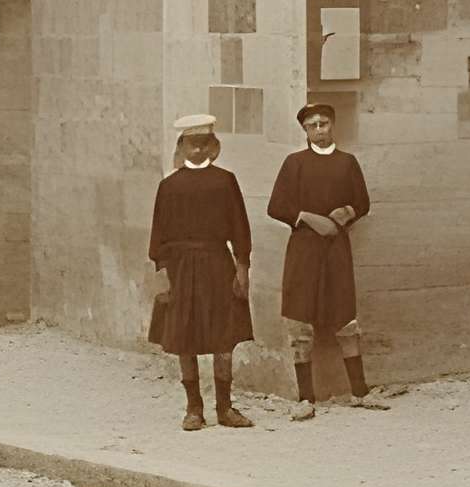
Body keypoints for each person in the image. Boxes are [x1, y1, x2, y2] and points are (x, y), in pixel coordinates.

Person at [266, 102, 389, 420]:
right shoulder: (294, 164)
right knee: (301, 318)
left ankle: (359, 392)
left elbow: (362, 202)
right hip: (304, 249)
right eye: (312, 126)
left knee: (344, 316)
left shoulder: (347, 163)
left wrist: (344, 215)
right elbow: (276, 206)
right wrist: (307, 218)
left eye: (323, 124)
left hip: (335, 248)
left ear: (333, 126)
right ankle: (305, 398)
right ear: (304, 131)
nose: (319, 130)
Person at [148, 113, 254, 431]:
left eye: (203, 144)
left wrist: (242, 266)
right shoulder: (169, 186)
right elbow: (159, 233)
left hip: (218, 264)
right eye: (191, 144)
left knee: (224, 336)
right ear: (181, 147)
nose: (197, 151)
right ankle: (194, 408)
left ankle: (225, 407)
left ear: (213, 147)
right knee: (185, 336)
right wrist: (162, 271)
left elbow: (240, 226)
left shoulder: (225, 181)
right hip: (181, 268)